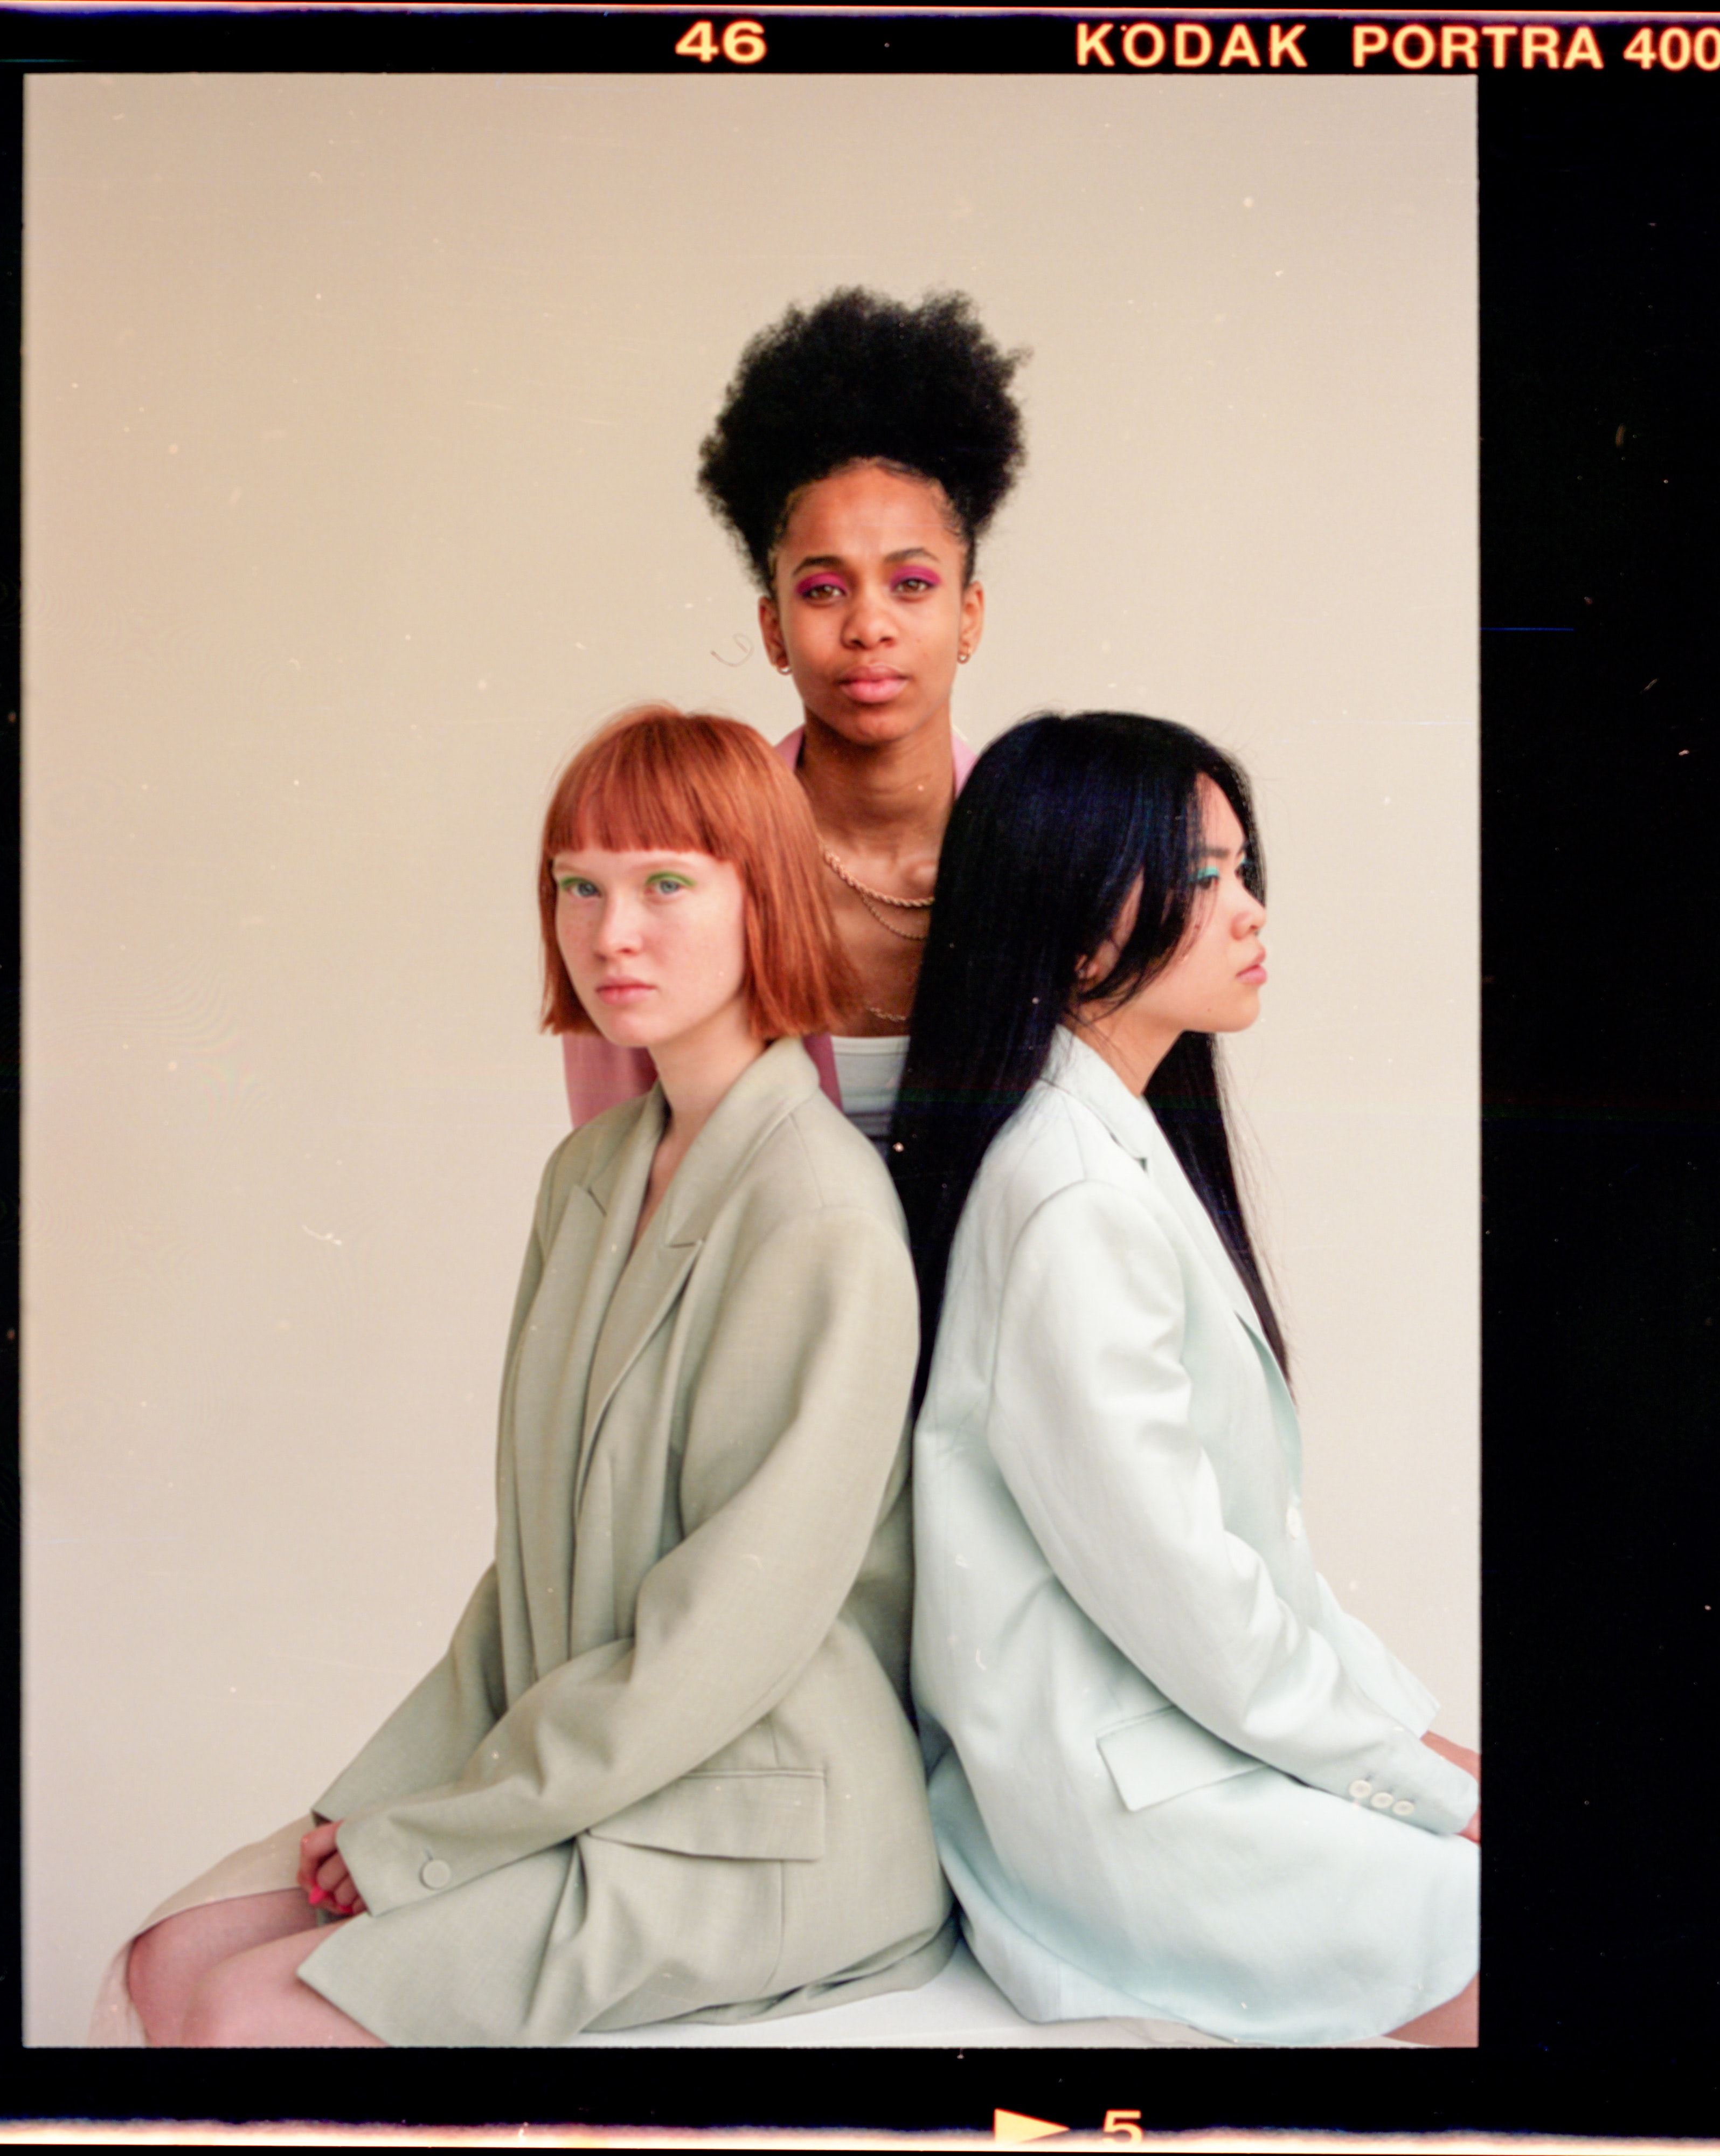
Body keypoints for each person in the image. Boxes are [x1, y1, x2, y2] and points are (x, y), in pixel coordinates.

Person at [107, 707, 954, 2046]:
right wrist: (376, 1794)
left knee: (238, 2013)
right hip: (596, 1779)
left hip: (755, 1827)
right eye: (579, 884)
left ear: (765, 900)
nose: (611, 930)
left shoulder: (820, 1212)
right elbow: (534, 1570)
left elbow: (721, 1635)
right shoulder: (591, 1173)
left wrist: (446, 1828)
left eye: (667, 882)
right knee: (170, 1953)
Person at [888, 711, 1481, 2047]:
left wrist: (1423, 1751)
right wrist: (1422, 1785)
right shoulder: (1067, 1196)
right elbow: (1196, 1604)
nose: (1251, 908)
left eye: (1240, 866)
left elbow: (1252, 1564)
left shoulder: (1108, 1148)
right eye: (1203, 874)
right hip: (1123, 1810)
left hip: (1178, 1749)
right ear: (1076, 920)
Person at [565, 286, 1027, 1142]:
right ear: (773, 630)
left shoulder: (1052, 859)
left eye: (913, 583)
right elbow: (614, 1169)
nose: (868, 625)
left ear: (970, 616)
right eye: (823, 589)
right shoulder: (683, 857)